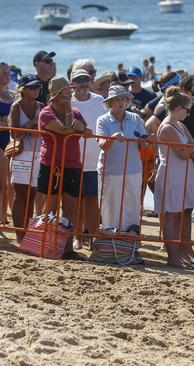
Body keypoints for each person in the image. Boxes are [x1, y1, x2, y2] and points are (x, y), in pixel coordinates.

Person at [37, 77, 90, 259]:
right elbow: (63, 130)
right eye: (66, 92)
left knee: (70, 209)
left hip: (72, 164)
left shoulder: (74, 111)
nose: (70, 94)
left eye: (69, 91)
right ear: (57, 96)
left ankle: (67, 249)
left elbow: (87, 132)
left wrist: (80, 128)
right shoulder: (46, 112)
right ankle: (48, 245)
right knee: (50, 208)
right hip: (51, 164)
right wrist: (78, 128)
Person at [154, 86, 194, 267]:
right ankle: (172, 257)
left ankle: (179, 255)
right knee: (172, 215)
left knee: (179, 214)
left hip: (182, 174)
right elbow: (184, 153)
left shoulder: (180, 125)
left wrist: (189, 150)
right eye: (187, 109)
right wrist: (190, 150)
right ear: (177, 108)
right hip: (171, 174)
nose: (189, 114)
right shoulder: (167, 127)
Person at [96, 85, 147, 232]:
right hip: (110, 170)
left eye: (124, 99)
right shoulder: (103, 120)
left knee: (132, 206)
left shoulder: (136, 118)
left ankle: (130, 241)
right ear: (110, 102)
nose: (121, 102)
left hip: (133, 169)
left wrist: (148, 141)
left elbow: (143, 145)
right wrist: (112, 138)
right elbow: (103, 146)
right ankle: (110, 238)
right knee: (109, 206)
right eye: (117, 99)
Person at [70, 68, 105, 249]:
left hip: (95, 161)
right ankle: (77, 236)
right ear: (72, 83)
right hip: (72, 161)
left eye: (85, 79)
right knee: (74, 201)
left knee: (92, 201)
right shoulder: (67, 102)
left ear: (91, 81)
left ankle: (92, 237)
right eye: (78, 79)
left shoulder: (100, 101)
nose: (83, 83)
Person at [8, 74, 44, 241]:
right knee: (21, 194)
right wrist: (32, 124)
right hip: (21, 154)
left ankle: (26, 233)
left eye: (37, 87)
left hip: (37, 153)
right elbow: (14, 133)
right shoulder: (16, 106)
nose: (36, 90)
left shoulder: (41, 106)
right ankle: (19, 235)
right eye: (31, 87)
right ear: (22, 89)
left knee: (32, 195)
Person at [0, 62, 16, 225]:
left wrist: (7, 123)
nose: (8, 76)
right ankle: (3, 216)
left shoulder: (12, 95)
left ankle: (8, 214)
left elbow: (13, 122)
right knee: (2, 183)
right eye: (4, 73)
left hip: (13, 141)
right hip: (2, 142)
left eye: (9, 73)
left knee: (12, 183)